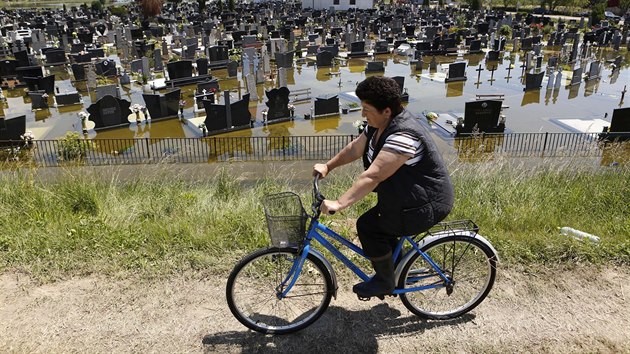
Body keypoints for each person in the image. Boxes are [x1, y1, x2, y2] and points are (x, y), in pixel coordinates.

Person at [312, 76, 454, 299]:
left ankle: (385, 281)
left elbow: (374, 175)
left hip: (424, 203)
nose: (362, 113)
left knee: (369, 227)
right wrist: (328, 166)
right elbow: (354, 149)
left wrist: (339, 204)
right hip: (405, 196)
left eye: (366, 109)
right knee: (380, 223)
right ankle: (396, 267)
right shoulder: (378, 124)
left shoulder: (403, 136)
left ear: (386, 110)